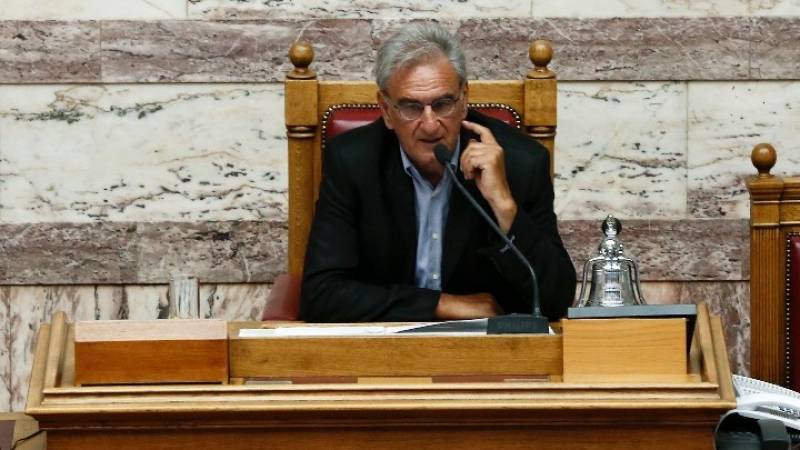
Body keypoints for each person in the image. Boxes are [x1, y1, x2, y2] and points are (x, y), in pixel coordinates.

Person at [300, 23, 576, 322]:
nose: (430, 125)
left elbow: (555, 301)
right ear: (386, 110)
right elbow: (321, 295)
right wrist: (441, 305)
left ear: (464, 100)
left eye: (443, 104)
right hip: (385, 344)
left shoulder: (521, 164)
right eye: (411, 107)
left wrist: (504, 205)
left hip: (485, 348)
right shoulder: (353, 162)